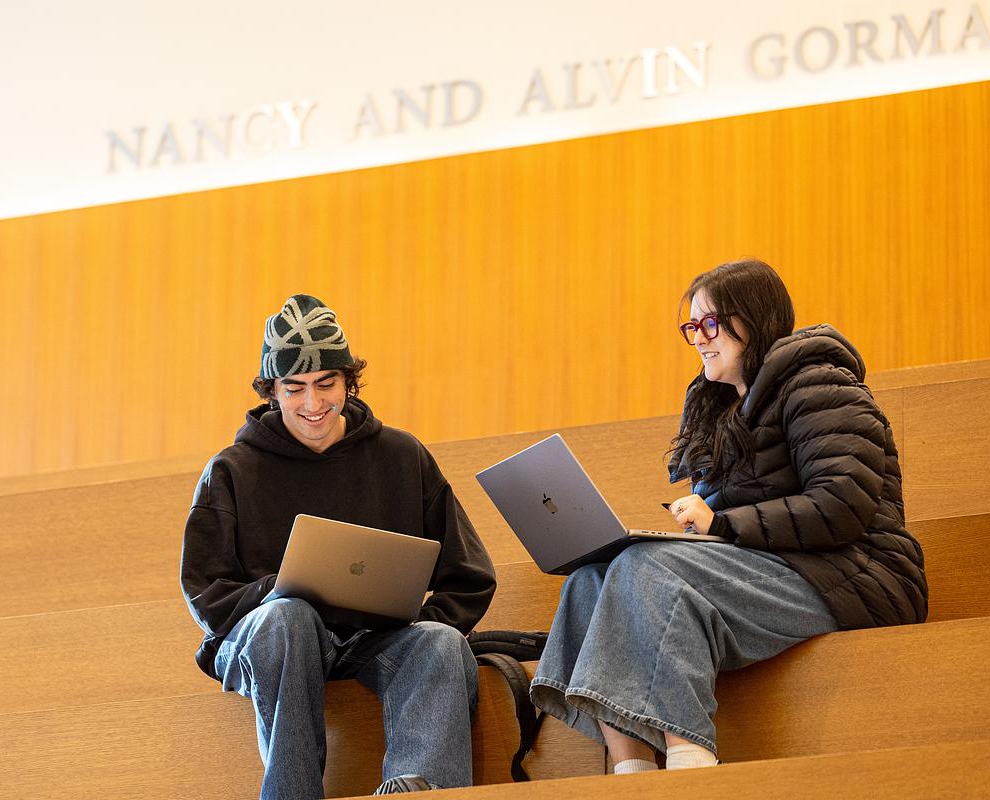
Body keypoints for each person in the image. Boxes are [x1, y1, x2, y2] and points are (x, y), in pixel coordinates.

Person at [529, 258, 927, 773]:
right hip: (776, 567)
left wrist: (719, 525)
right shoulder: (719, 411)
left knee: (648, 567)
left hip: (857, 576)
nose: (699, 337)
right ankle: (631, 771)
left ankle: (689, 760)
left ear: (753, 320)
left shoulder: (819, 387)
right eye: (692, 326)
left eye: (710, 323)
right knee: (589, 580)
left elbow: (841, 507)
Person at [181, 294, 497, 799]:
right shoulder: (232, 470)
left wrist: (415, 619)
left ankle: (419, 790)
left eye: (327, 384)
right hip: (272, 642)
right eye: (295, 388)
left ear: (350, 382)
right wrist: (284, 589)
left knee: (439, 643)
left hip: (374, 637)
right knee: (289, 618)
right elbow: (206, 591)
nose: (313, 404)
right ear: (272, 392)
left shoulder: (401, 455)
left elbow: (469, 574)